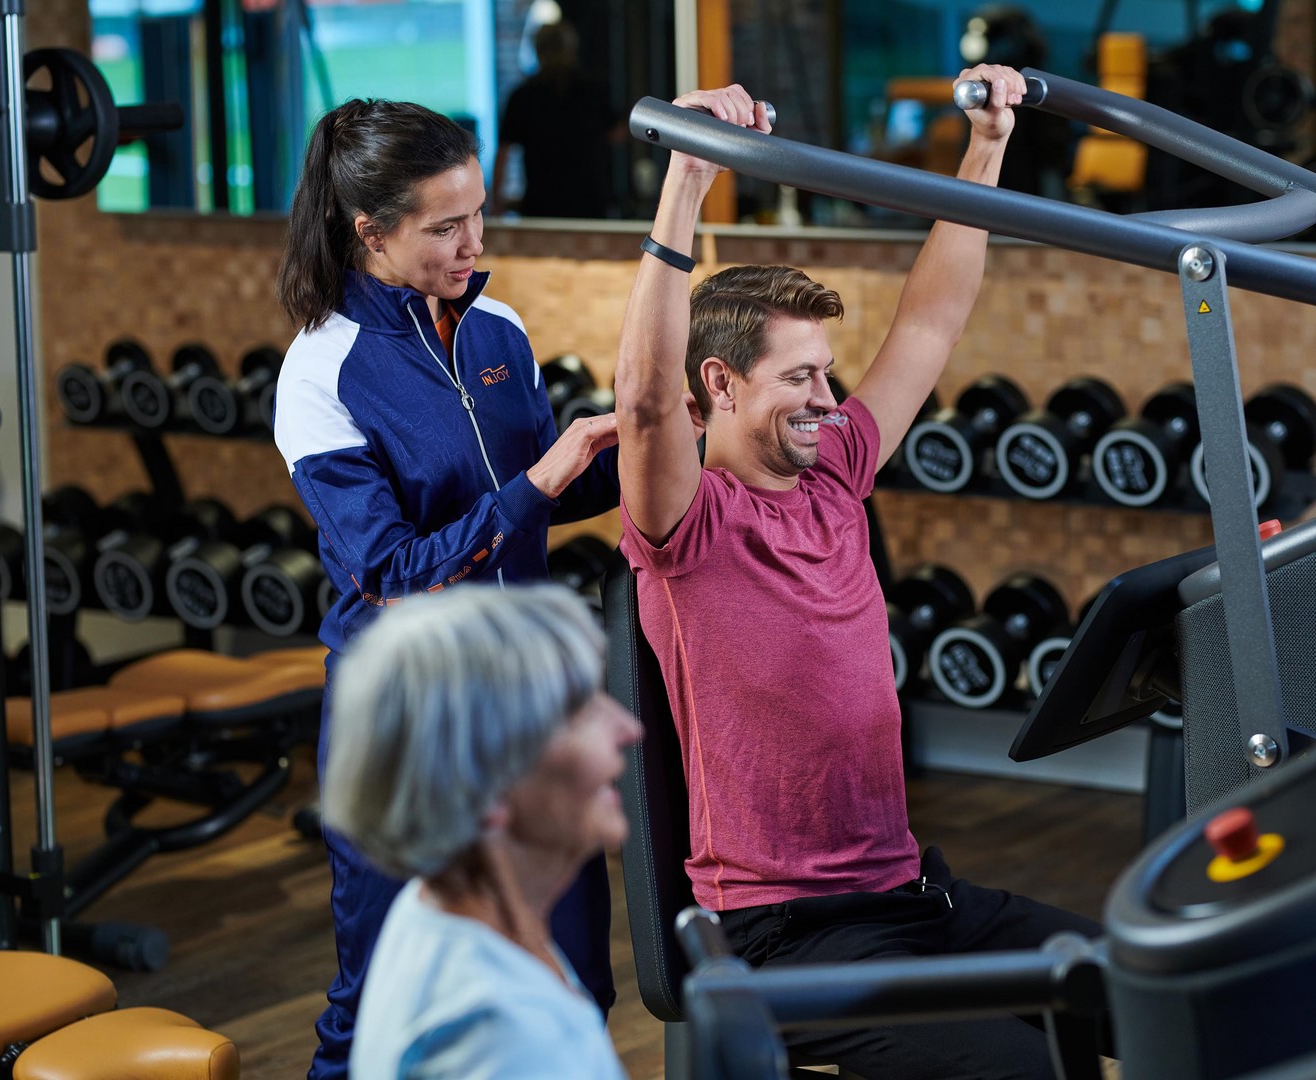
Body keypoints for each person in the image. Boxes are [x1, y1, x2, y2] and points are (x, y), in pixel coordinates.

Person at [613, 73, 1106, 1079]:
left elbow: (931, 325)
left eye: (828, 372)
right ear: (721, 384)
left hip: (912, 898)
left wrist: (986, 145)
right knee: (1024, 1070)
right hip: (786, 937)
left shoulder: (835, 471)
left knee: (1165, 987)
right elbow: (646, 406)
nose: (828, 398)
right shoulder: (686, 526)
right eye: (800, 377)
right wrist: (687, 181)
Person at [273, 98, 621, 1080]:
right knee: (374, 1005)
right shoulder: (322, 371)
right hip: (408, 715)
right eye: (445, 226)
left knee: (572, 976)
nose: (475, 244)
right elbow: (391, 576)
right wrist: (541, 479)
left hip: (523, 698)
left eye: (477, 215)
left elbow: (547, 493)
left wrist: (654, 438)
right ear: (371, 232)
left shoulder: (496, 326)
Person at [322, 585, 639, 1080]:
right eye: (580, 712)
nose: (626, 728)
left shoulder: (449, 910)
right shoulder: (496, 1035)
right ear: (484, 786)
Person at [491, 20, 623, 218]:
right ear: (572, 49)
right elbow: (617, 134)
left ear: (537, 50)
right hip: (590, 201)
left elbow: (503, 153)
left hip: (541, 203)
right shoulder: (592, 91)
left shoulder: (523, 96)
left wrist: (497, 202)